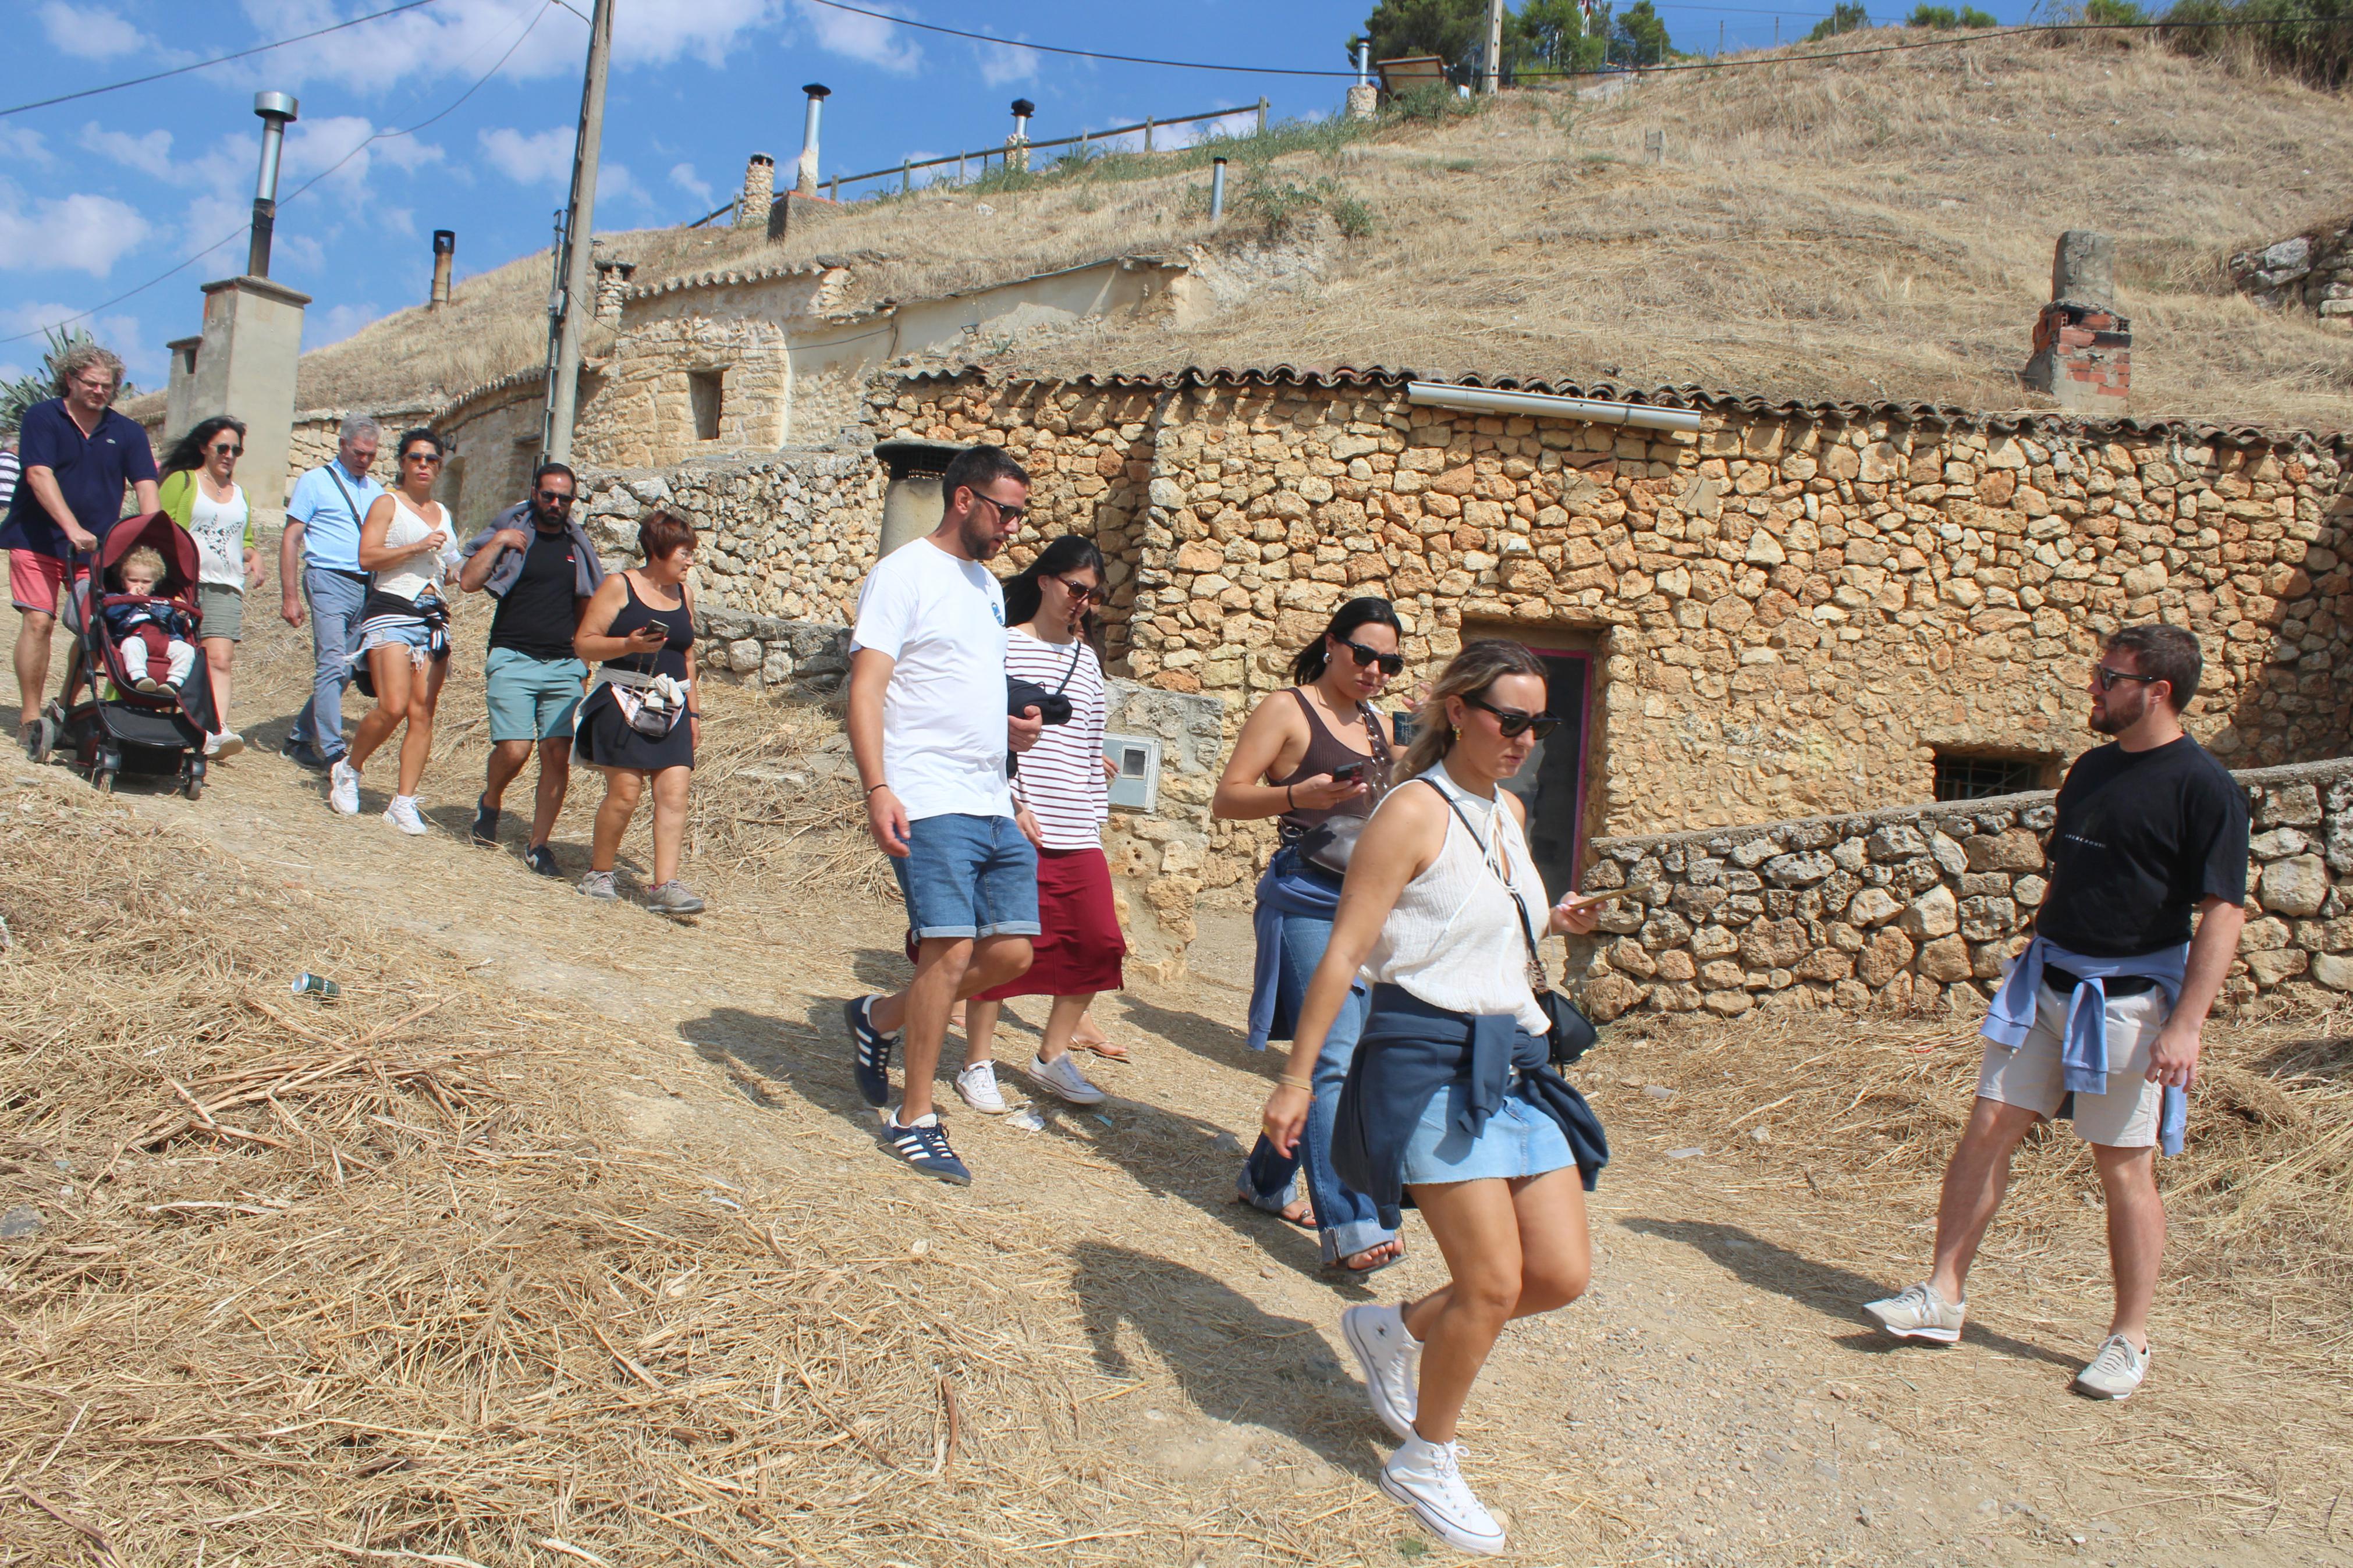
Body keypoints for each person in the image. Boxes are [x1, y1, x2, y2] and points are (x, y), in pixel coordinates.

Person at [1262, 638, 1609, 1557]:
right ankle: (1426, 1455)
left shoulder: (1508, 810)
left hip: (1515, 1063)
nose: (1524, 737)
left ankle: (1394, 1328)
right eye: (1509, 718)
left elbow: (1477, 922)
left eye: (1539, 722)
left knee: (1557, 1273)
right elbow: (1346, 950)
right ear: (1457, 711)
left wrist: (1550, 918)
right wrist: (1296, 1077)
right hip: (1425, 1060)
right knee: (1491, 1282)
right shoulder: (1409, 810)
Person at [1864, 624, 2248, 1402]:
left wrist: (2185, 1024)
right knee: (1985, 1127)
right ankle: (1941, 1295)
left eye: (2109, 676)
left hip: (2129, 1003)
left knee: (2122, 1164)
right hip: (2046, 982)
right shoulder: (2091, 767)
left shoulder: (2203, 786)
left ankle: (2128, 1338)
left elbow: (2222, 911)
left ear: (2157, 691)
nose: (2093, 686)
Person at [842, 443, 1045, 1186]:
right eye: (1006, 512)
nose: (1014, 528)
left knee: (1013, 954)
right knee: (950, 952)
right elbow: (867, 688)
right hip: (926, 794)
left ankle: (878, 1018)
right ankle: (914, 1116)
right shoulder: (902, 574)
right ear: (964, 500)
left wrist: (1006, 738)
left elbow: (965, 681)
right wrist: (877, 786)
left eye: (1020, 514)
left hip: (990, 797)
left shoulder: (987, 586)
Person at [1215, 596, 1409, 1274]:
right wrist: (1299, 795)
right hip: (1304, 895)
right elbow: (1227, 796)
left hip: (1367, 906)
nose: (1375, 671)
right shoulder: (1286, 709)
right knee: (1332, 1055)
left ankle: (1265, 1179)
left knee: (1352, 1055)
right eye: (1365, 654)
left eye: (1389, 663)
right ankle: (1352, 1222)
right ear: (1332, 643)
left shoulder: (1379, 724)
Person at [958, 535, 1126, 1115]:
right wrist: (1009, 802)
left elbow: (1088, 738)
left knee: (1099, 944)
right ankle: (976, 1063)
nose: (1083, 601)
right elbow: (979, 728)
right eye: (1076, 587)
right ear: (1046, 580)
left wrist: (1094, 799)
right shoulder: (1002, 644)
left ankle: (1051, 1056)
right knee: (1002, 947)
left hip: (1076, 824)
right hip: (1015, 818)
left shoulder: (1087, 659)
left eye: (1093, 594)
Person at [2, 342, 158, 754]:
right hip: (37, 539)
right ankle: (30, 717)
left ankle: (63, 708)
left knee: (98, 627)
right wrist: (71, 526)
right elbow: (39, 475)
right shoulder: (43, 417)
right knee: (39, 622)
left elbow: (146, 486)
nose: (99, 391)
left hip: (99, 550)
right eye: (91, 383)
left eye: (107, 385)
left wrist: (155, 537)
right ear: (70, 379)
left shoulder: (128, 432)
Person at [458, 461, 603, 876]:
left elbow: (586, 603)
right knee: (515, 749)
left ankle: (538, 845)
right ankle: (491, 800)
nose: (556, 504)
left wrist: (582, 662)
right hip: (513, 656)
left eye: (564, 498)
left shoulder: (578, 547)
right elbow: (468, 581)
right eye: (549, 495)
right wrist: (499, 540)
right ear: (535, 493)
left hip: (563, 665)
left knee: (556, 753)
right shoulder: (515, 534)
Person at [572, 510, 705, 917]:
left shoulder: (684, 594)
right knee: (625, 793)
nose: (690, 561)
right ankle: (599, 872)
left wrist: (695, 714)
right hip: (621, 698)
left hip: (672, 703)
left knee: (674, 793)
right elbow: (584, 643)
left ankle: (665, 886)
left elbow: (687, 655)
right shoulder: (619, 586)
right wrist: (628, 645)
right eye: (684, 552)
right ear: (659, 550)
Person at [332, 429, 454, 836]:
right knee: (394, 705)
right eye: (416, 457)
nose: (424, 465)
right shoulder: (387, 503)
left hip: (433, 616)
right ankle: (349, 768)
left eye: (431, 459)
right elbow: (367, 557)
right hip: (391, 608)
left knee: (423, 712)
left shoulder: (443, 512)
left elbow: (451, 568)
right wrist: (417, 546)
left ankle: (403, 802)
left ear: (440, 466)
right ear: (402, 462)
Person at [279, 416, 384, 771]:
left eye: (371, 454)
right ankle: (334, 750)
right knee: (332, 664)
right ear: (342, 445)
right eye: (358, 452)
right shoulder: (314, 482)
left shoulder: (377, 491)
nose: (364, 460)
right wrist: (290, 596)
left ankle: (298, 738)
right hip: (327, 579)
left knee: (346, 669)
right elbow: (292, 538)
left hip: (366, 586)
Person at [158, 416, 263, 758]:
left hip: (225, 586)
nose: (229, 455)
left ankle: (216, 731)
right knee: (170, 654)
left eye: (236, 450)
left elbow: (245, 540)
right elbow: (159, 528)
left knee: (220, 659)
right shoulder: (182, 482)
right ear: (204, 447)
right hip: (183, 583)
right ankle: (157, 721)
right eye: (223, 448)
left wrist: (254, 556)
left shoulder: (241, 494)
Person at [102, 546, 197, 693]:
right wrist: (129, 598)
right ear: (123, 581)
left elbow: (174, 628)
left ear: (155, 583)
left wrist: (180, 616)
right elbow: (111, 614)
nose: (139, 585)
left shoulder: (162, 603)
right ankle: (140, 678)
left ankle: (174, 683)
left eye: (146, 582)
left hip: (164, 639)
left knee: (187, 650)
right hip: (136, 636)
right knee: (131, 646)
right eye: (133, 580)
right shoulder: (117, 599)